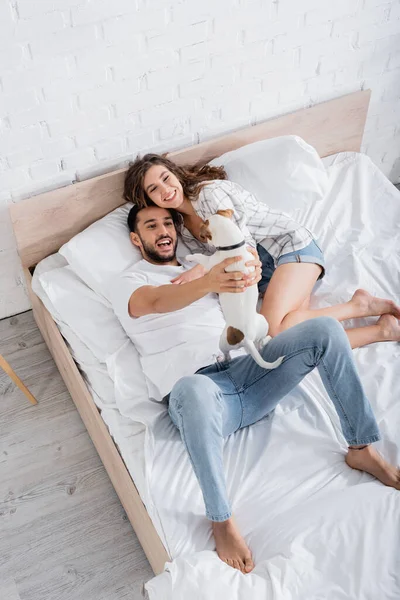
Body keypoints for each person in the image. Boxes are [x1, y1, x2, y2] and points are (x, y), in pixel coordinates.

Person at [110, 203, 400, 575]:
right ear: (136, 238)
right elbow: (155, 301)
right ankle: (221, 519)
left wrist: (243, 271)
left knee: (324, 332)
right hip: (206, 395)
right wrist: (208, 281)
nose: (163, 230)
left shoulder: (198, 266)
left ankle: (361, 448)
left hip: (251, 368)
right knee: (192, 390)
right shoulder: (129, 282)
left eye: (167, 222)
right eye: (151, 226)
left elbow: (241, 289)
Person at [123, 153, 400, 349]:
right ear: (149, 199)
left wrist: (201, 269)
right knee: (289, 337)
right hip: (268, 274)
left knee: (274, 330)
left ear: (175, 173)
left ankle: (358, 307)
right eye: (154, 189)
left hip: (290, 248)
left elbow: (242, 249)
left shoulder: (208, 195)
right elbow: (221, 261)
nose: (165, 189)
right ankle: (380, 330)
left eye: (165, 178)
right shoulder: (182, 229)